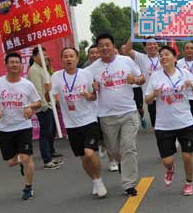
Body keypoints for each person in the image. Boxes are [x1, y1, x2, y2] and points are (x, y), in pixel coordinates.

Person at [87, 33, 145, 196]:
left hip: (128, 112)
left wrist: (135, 80)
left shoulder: (126, 61)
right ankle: (122, 163)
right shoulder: (92, 69)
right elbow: (87, 91)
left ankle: (129, 184)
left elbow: (142, 78)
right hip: (106, 116)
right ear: (97, 49)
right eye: (101, 46)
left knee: (128, 147)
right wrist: (93, 88)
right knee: (113, 150)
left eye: (107, 45)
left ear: (113, 46)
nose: (104, 48)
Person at [45, 47, 107, 197]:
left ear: (77, 59)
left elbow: (94, 97)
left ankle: (99, 181)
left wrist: (88, 94)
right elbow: (50, 100)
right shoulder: (56, 77)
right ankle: (93, 180)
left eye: (71, 56)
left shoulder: (86, 74)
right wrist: (47, 91)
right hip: (71, 123)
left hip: (89, 119)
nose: (69, 59)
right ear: (62, 60)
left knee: (90, 152)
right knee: (84, 158)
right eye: (65, 56)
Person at [145, 46, 193, 196]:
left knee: (187, 155)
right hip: (164, 124)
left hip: (185, 121)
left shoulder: (184, 74)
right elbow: (147, 100)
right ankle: (170, 169)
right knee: (167, 161)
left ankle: (189, 183)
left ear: (175, 58)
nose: (163, 57)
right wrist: (154, 94)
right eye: (161, 55)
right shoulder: (155, 76)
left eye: (167, 54)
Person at [0, 52, 41, 200]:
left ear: (21, 64)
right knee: (11, 161)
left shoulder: (27, 84)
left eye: (17, 62)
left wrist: (30, 106)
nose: (15, 64)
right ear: (6, 65)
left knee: (25, 157)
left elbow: (38, 102)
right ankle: (23, 163)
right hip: (4, 127)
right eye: (12, 62)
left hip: (23, 125)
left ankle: (28, 188)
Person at [27, 47, 63, 170]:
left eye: (46, 55)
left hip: (49, 104)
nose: (45, 57)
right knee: (45, 133)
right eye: (42, 55)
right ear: (34, 57)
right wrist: (43, 106)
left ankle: (50, 154)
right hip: (43, 106)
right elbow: (38, 90)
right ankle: (47, 160)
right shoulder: (34, 70)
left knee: (51, 131)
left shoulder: (43, 68)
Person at [125, 26, 162, 128]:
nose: (152, 46)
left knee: (171, 124)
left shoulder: (164, 56)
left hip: (166, 96)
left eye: (155, 44)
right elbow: (127, 49)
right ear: (145, 48)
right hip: (151, 98)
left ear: (158, 46)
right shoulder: (142, 58)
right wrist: (134, 34)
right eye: (149, 44)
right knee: (157, 127)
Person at [120, 44, 147, 129]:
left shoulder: (136, 59)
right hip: (125, 89)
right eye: (123, 49)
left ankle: (142, 117)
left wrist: (136, 79)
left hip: (136, 87)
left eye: (126, 49)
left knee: (139, 108)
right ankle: (129, 123)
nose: (125, 51)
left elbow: (141, 74)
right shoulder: (118, 62)